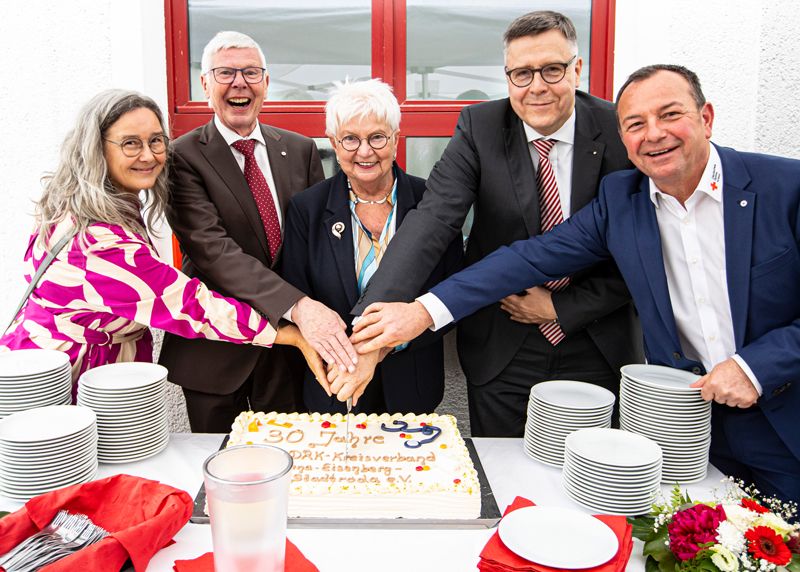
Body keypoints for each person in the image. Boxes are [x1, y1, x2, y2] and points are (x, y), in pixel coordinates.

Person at [352, 65, 800, 505]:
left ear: (705, 118)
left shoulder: (786, 187)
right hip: (684, 429)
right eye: (636, 124)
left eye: (670, 115)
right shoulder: (622, 201)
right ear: (623, 140)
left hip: (787, 424)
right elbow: (523, 258)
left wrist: (756, 366)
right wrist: (421, 312)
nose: (654, 134)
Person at [350, 11, 642, 435]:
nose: (536, 86)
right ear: (507, 77)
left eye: (552, 70)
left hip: (597, 342)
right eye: (521, 73)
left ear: (577, 70)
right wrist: (371, 324)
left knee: (592, 484)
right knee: (504, 482)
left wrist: (560, 307)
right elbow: (432, 221)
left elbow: (645, 248)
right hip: (503, 346)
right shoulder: (480, 127)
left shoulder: (620, 132)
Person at [0, 89, 325, 393]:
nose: (148, 155)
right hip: (62, 385)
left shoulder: (74, 206)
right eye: (130, 143)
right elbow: (190, 305)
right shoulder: (99, 243)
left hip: (64, 370)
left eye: (156, 141)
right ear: (96, 148)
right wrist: (294, 334)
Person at [158, 31, 357, 432]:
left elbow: (319, 244)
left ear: (266, 83)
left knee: (288, 467)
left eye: (251, 72)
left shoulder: (301, 150)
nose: (239, 83)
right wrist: (300, 306)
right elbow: (214, 251)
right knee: (219, 476)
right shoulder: (181, 156)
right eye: (225, 72)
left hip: (288, 353)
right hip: (217, 352)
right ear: (205, 84)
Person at [281, 79, 462, 413]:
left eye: (377, 137)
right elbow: (295, 296)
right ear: (334, 144)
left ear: (395, 139)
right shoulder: (307, 209)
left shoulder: (431, 203)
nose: (365, 151)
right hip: (335, 388)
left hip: (412, 386)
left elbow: (450, 294)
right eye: (351, 139)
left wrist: (390, 342)